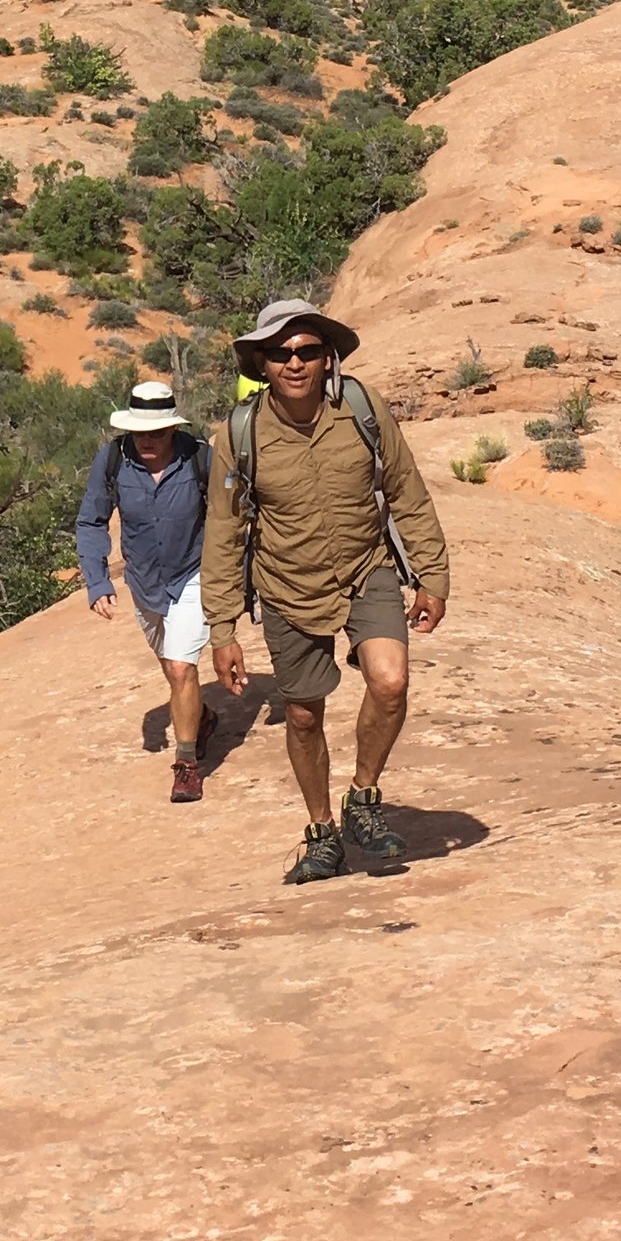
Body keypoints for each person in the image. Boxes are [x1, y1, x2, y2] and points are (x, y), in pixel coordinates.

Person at [201, 301, 449, 885]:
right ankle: (321, 834)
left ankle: (363, 800)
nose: (294, 363)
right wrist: (221, 628)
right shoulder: (239, 436)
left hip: (367, 570)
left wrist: (432, 576)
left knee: (391, 681)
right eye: (281, 353)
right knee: (305, 717)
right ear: (261, 363)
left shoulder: (361, 409)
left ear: (326, 357)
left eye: (308, 351)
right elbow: (223, 531)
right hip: (288, 587)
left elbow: (407, 491)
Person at [75, 379, 216, 803]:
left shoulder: (199, 458)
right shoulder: (114, 460)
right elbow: (90, 520)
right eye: (139, 432)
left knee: (180, 667)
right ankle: (202, 717)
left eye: (156, 432)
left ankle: (187, 765)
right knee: (171, 665)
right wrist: (97, 580)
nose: (147, 440)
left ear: (173, 429)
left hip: (194, 574)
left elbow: (231, 518)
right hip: (144, 581)